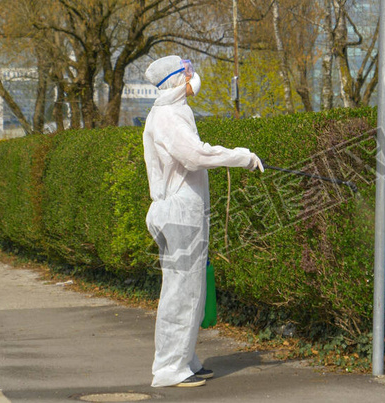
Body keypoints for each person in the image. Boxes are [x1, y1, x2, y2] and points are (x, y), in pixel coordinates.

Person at [142, 55, 264, 388]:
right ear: (174, 80)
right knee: (181, 291)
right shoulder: (167, 116)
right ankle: (169, 368)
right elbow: (194, 155)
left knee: (190, 288)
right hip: (179, 215)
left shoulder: (174, 111)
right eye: (187, 72)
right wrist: (242, 157)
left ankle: (185, 358)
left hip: (184, 214)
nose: (193, 76)